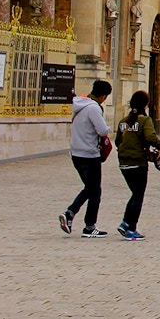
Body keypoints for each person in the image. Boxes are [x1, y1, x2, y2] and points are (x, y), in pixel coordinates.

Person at [60, 80, 113, 238]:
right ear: (103, 96)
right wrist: (108, 127)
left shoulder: (79, 104)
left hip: (76, 153)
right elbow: (103, 130)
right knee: (95, 190)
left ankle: (70, 214)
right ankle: (88, 225)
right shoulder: (93, 108)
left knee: (90, 188)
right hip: (89, 154)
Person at [115, 90, 160, 241]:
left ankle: (125, 223)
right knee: (138, 195)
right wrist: (159, 146)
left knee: (135, 194)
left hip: (123, 162)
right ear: (146, 105)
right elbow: (150, 137)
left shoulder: (123, 121)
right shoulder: (145, 120)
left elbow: (117, 141)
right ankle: (130, 227)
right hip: (137, 162)